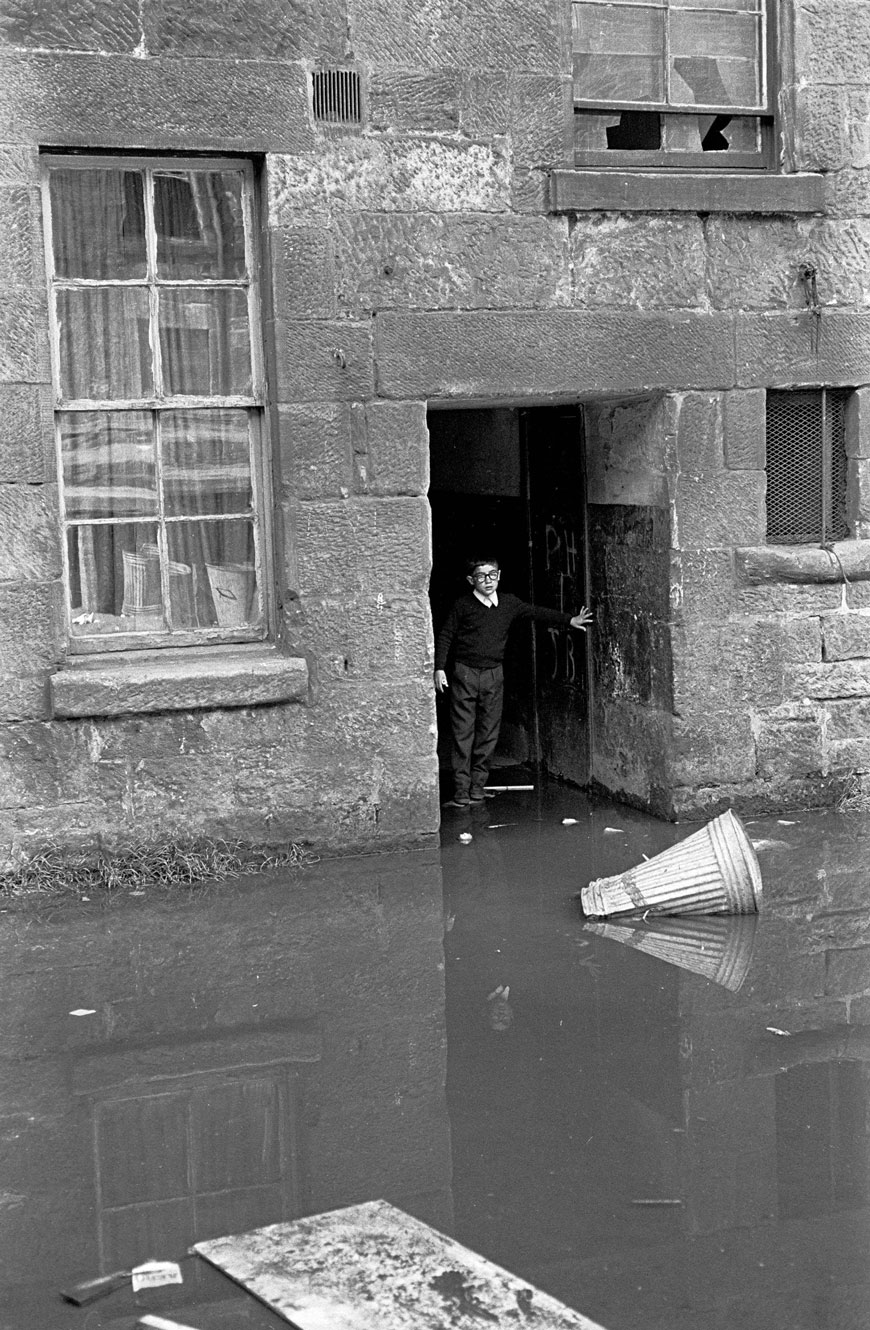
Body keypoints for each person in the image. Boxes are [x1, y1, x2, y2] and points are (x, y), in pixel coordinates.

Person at [434, 556, 592, 807]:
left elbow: (535, 612)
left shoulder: (508, 603)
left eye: (492, 575)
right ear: (470, 580)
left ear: (500, 575)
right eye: (481, 576)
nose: (488, 581)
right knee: (463, 733)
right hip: (465, 673)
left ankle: (477, 787)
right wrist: (439, 668)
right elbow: (445, 636)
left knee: (488, 733)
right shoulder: (462, 606)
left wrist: (569, 620)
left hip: (494, 675)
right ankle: (461, 791)